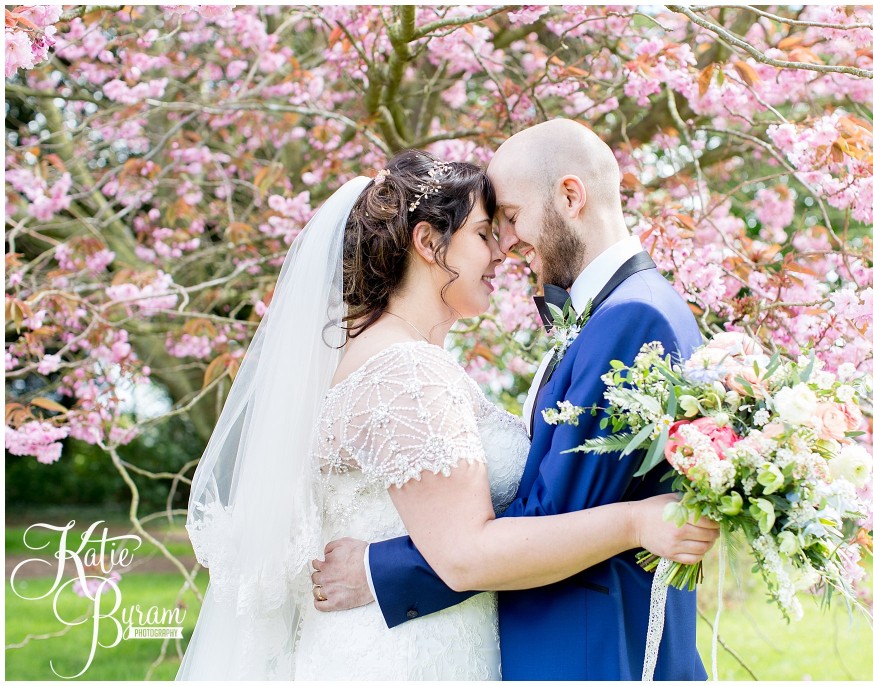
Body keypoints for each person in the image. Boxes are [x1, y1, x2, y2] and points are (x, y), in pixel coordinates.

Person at [176, 148, 718, 680]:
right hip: (405, 656)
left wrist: (378, 566)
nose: (502, 251)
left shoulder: (395, 356)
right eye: (484, 233)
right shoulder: (405, 371)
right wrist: (635, 522)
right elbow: (466, 553)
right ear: (428, 243)